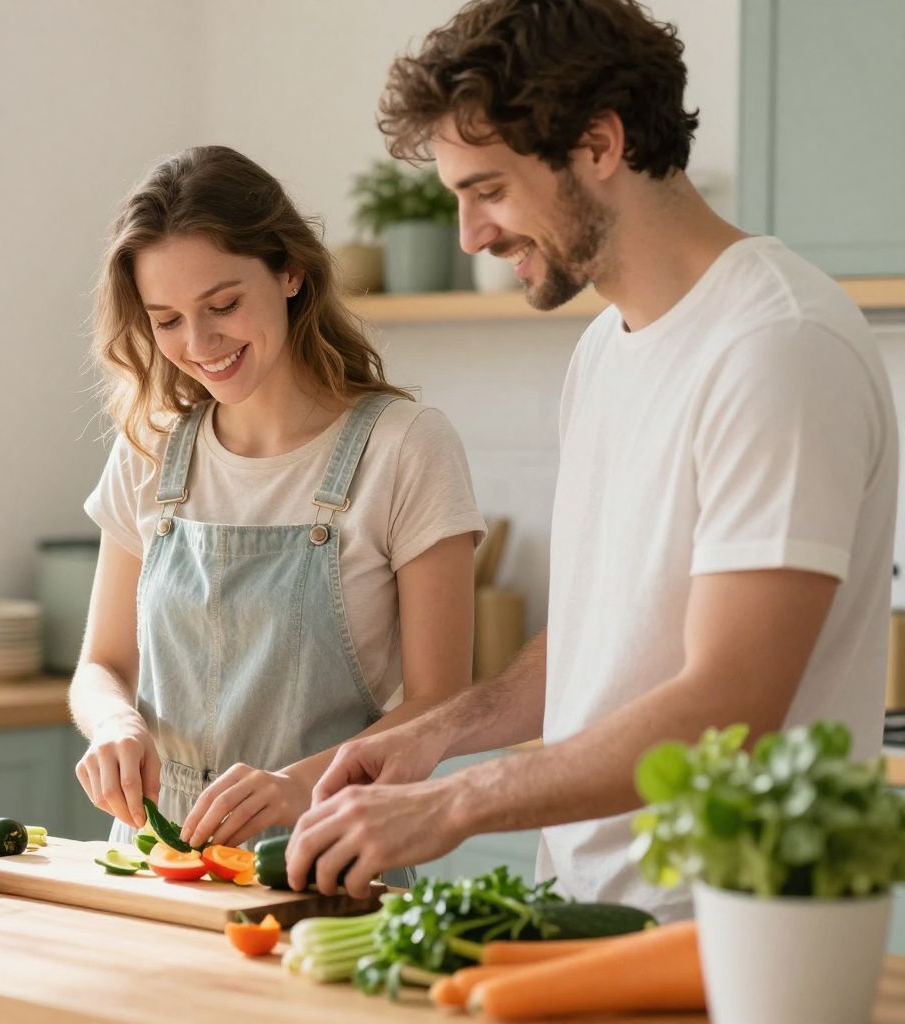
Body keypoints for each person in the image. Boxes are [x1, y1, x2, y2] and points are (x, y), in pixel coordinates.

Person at [287, 0, 898, 921]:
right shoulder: (606, 350)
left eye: (488, 189)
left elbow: (728, 707)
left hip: (718, 934)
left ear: (601, 144)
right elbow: (603, 647)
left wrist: (454, 802)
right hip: (582, 913)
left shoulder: (778, 345)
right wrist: (440, 734)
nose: (472, 235)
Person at [70, 146, 488, 875]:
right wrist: (112, 724)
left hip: (330, 856)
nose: (199, 345)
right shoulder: (151, 449)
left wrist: (298, 786)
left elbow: (439, 701)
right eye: (166, 319)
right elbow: (100, 664)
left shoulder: (406, 447)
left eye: (223, 305)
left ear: (290, 271)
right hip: (158, 860)